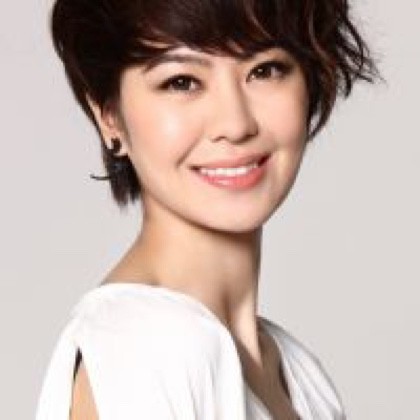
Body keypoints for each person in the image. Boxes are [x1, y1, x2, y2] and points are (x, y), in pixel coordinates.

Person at [36, 0, 377, 419]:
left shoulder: (297, 372)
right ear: (109, 115)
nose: (235, 124)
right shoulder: (145, 350)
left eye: (265, 70)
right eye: (182, 82)